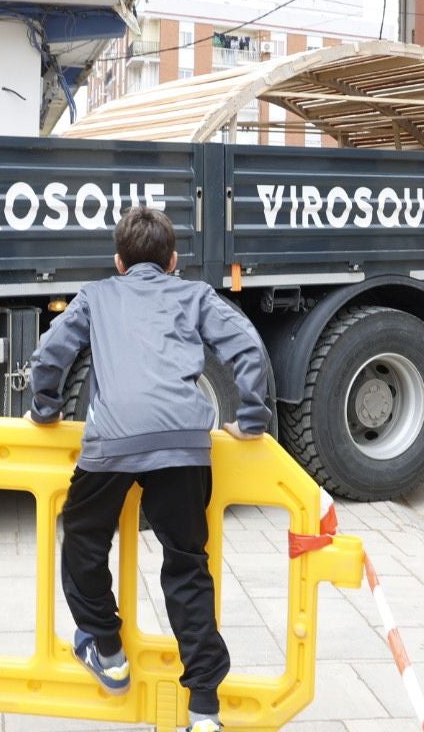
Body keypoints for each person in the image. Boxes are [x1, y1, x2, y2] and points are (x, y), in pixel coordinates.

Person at [25, 206, 270, 732]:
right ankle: (204, 707)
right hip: (184, 442)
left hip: (112, 440)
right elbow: (247, 344)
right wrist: (250, 418)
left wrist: (45, 409)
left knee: (85, 540)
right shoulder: (195, 294)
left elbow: (50, 354)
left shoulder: (96, 296)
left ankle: (108, 651)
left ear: (118, 262)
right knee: (186, 562)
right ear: (174, 261)